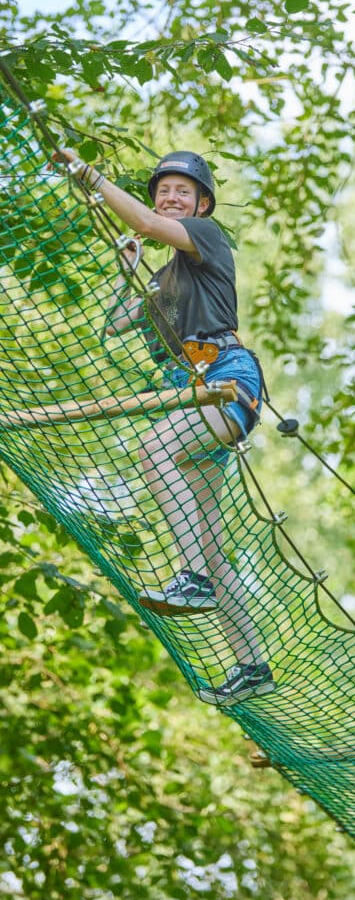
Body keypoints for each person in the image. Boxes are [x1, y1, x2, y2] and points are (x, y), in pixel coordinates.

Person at [58, 148, 275, 706]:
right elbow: (117, 323)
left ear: (201, 204)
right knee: (208, 539)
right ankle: (252, 666)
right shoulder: (165, 276)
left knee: (155, 448)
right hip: (199, 394)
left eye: (182, 192)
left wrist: (94, 179)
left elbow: (150, 224)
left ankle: (192, 578)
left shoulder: (206, 239)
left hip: (228, 378)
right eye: (163, 190)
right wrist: (128, 271)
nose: (170, 199)